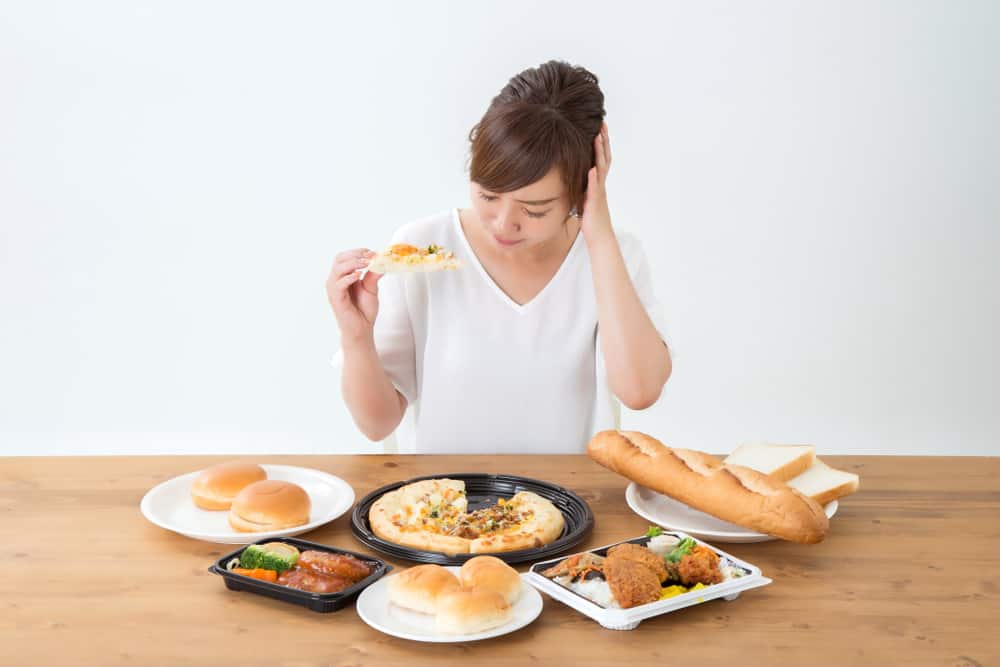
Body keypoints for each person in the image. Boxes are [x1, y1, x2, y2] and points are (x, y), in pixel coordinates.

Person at [327, 60, 672, 454]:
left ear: (581, 192)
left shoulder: (612, 255)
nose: (504, 223)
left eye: (535, 209)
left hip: (569, 493)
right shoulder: (422, 248)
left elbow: (639, 391)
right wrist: (356, 336)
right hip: (441, 493)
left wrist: (600, 236)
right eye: (488, 196)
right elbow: (377, 424)